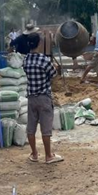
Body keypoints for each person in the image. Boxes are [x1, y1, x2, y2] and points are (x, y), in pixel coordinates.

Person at [23, 33, 63, 164]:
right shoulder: (44, 60)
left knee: (31, 128)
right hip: (44, 97)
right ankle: (48, 156)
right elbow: (53, 74)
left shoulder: (26, 60)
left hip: (31, 98)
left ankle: (34, 154)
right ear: (39, 43)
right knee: (46, 129)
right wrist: (56, 68)